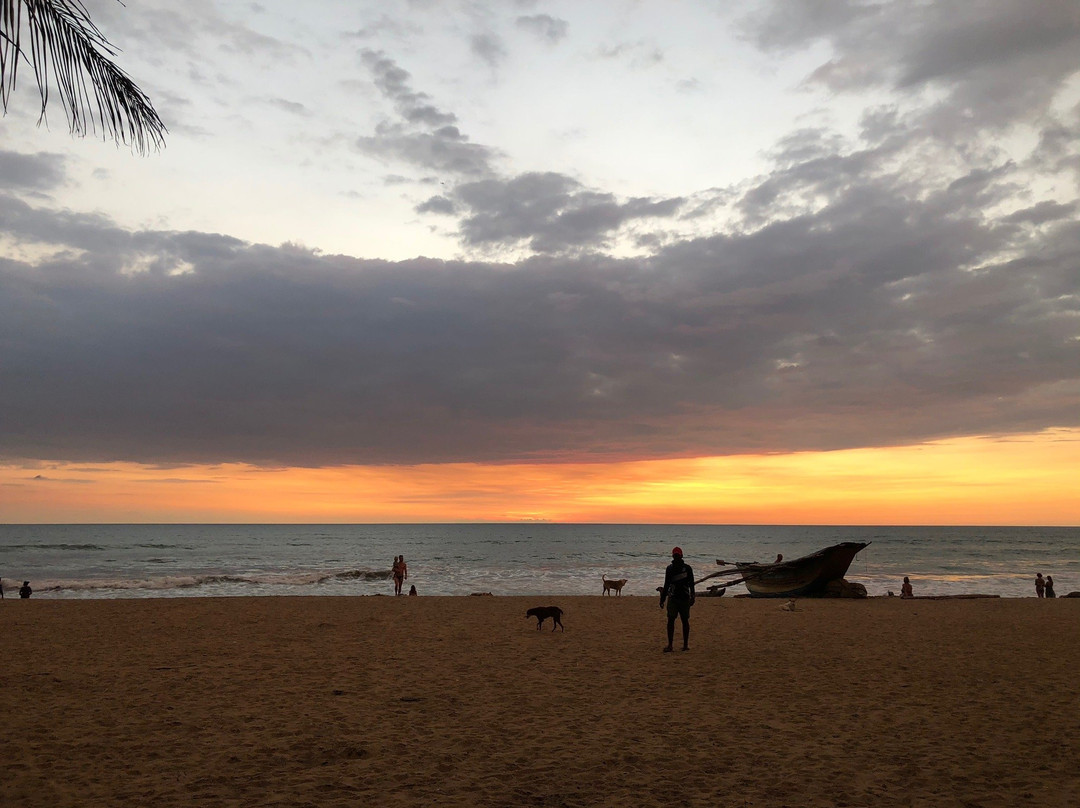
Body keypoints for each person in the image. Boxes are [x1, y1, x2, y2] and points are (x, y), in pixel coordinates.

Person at [659, 547, 695, 652]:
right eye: (675, 555)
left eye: (677, 555)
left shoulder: (688, 568)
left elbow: (691, 583)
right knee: (671, 620)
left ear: (681, 556)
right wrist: (662, 599)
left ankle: (685, 645)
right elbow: (666, 585)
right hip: (673, 598)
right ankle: (670, 645)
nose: (676, 557)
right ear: (673, 556)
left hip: (684, 598)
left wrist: (693, 596)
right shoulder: (669, 569)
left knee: (684, 621)